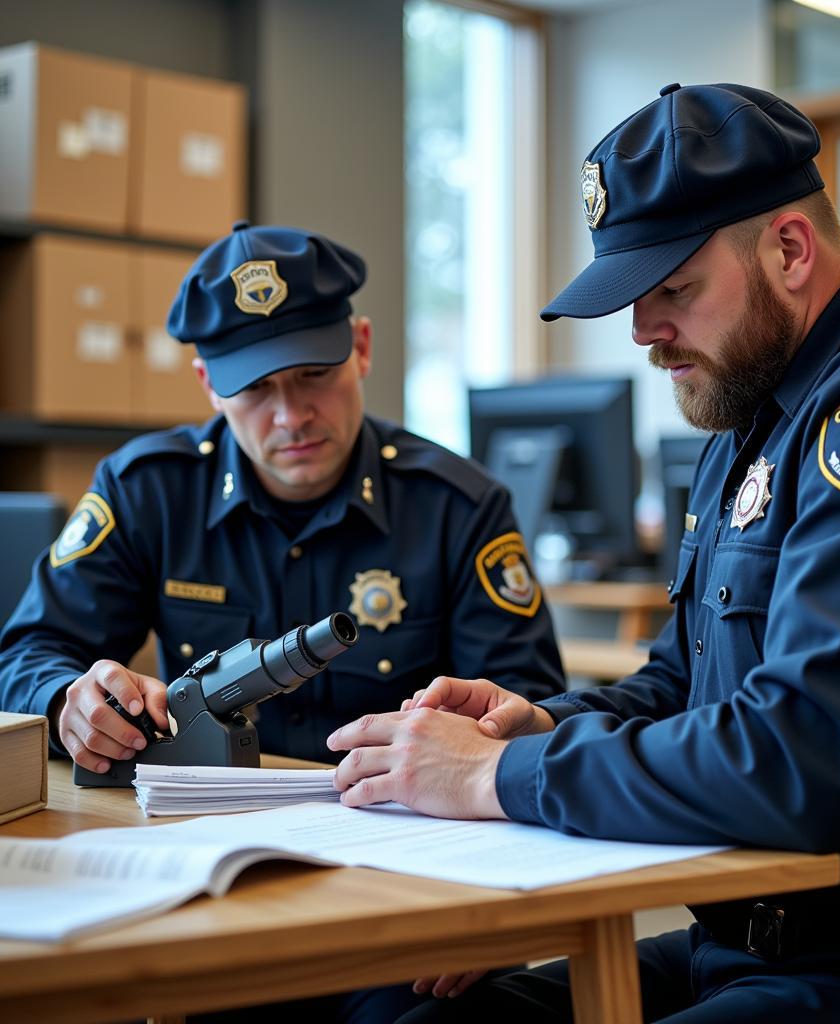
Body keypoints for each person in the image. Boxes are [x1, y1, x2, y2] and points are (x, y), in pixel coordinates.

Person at [327, 83, 840, 1023]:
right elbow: (683, 686)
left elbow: (807, 758)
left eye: (674, 290)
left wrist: (489, 779)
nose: (643, 332)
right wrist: (536, 727)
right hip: (744, 942)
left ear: (788, 249)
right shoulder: (757, 414)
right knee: (404, 1015)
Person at [0, 221, 565, 1023]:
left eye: (314, 374)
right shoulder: (147, 491)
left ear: (362, 347)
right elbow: (29, 648)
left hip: (405, 901)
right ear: (207, 383)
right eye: (254, 389)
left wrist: (496, 908)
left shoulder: (459, 510)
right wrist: (69, 700)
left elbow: (529, 715)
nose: (291, 414)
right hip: (206, 891)